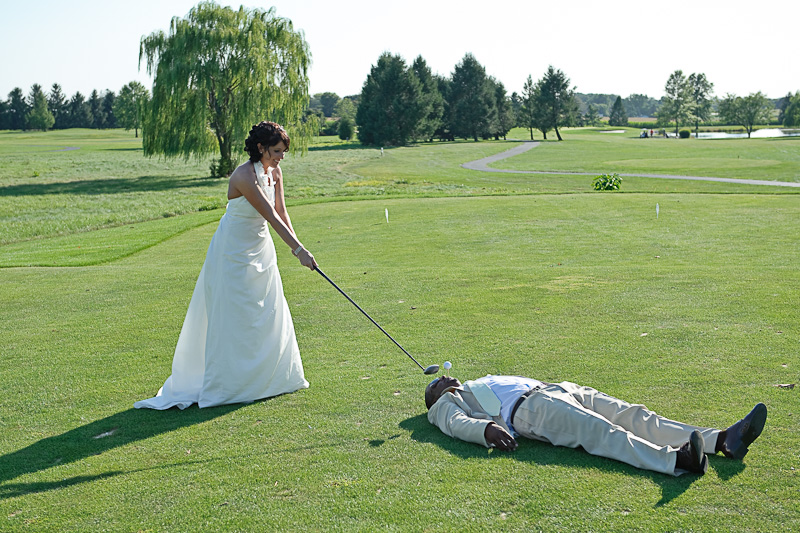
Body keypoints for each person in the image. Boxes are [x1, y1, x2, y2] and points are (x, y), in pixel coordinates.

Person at [135, 121, 317, 410]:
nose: (282, 157)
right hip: (233, 251)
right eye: (277, 151)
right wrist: (298, 251)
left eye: (284, 152)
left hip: (261, 249)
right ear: (261, 148)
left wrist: (300, 246)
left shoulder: (276, 172)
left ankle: (270, 380)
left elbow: (282, 211)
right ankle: (231, 385)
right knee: (236, 313)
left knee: (266, 310)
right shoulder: (244, 175)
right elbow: (269, 214)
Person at [425, 375, 767, 476]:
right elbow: (454, 424)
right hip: (532, 411)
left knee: (636, 415)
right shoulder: (444, 404)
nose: (441, 377)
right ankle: (678, 460)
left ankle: (722, 440)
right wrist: (485, 431)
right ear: (434, 396)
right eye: (434, 383)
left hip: (559, 389)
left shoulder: (473, 381)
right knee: (605, 432)